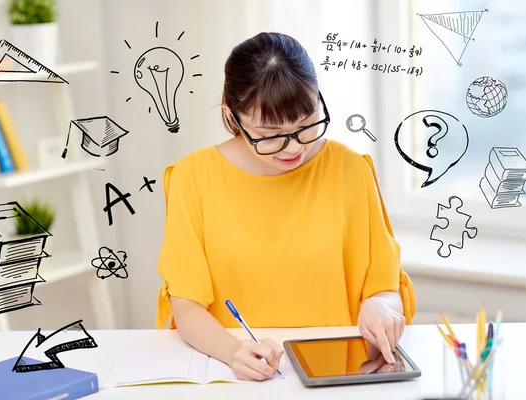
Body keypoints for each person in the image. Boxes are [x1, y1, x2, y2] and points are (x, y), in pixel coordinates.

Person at [155, 32, 416, 382]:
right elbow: (186, 307)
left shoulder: (351, 170)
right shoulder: (193, 177)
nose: (293, 147)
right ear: (232, 118)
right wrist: (233, 351)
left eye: (306, 124)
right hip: (234, 375)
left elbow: (384, 286)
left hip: (333, 373)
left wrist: (381, 306)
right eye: (270, 134)